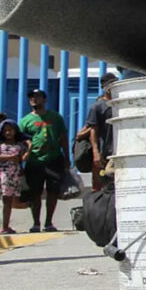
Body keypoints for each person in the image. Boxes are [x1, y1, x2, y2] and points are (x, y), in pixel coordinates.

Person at [19, 89, 69, 233]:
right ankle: (36, 222)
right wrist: (21, 162)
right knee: (35, 193)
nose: (35, 99)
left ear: (45, 100)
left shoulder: (55, 118)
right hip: (34, 161)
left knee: (53, 191)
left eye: (38, 97)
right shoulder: (25, 121)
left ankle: (49, 222)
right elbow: (21, 142)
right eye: (32, 97)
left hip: (54, 159)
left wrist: (66, 157)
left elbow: (63, 137)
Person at [77, 72, 118, 190]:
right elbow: (93, 131)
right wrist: (96, 153)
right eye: (110, 85)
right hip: (104, 153)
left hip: (119, 152)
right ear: (104, 88)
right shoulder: (97, 107)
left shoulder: (120, 104)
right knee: (100, 185)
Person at [0, 116, 30, 234]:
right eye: (5, 130)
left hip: (13, 177)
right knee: (5, 201)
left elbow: (23, 158)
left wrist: (30, 146)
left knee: (8, 202)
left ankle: (5, 226)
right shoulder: (1, 145)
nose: (8, 132)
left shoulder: (19, 145)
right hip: (3, 175)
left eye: (10, 130)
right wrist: (10, 157)